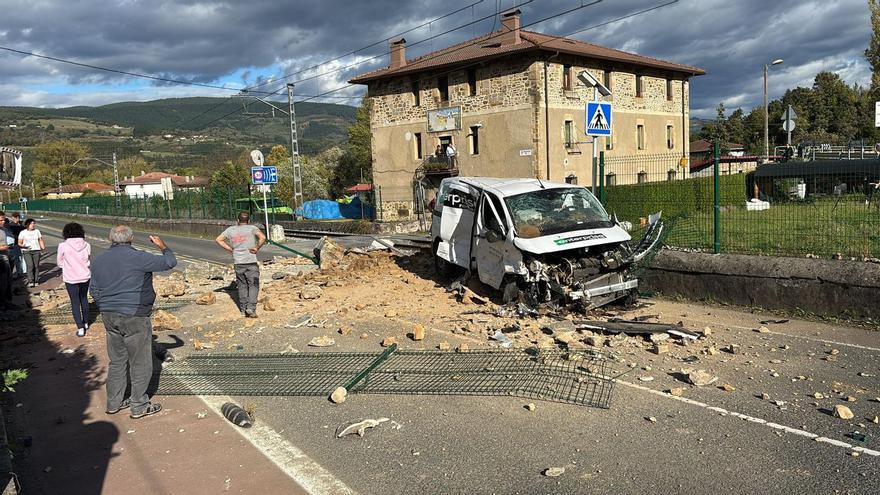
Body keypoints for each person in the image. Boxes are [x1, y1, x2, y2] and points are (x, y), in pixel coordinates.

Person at [90, 225, 176, 419]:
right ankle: (139, 405)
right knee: (140, 362)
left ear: (111, 238)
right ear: (131, 239)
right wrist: (163, 246)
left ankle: (114, 403)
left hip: (109, 315)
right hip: (135, 314)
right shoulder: (139, 257)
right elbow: (170, 262)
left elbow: (93, 289)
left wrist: (104, 305)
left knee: (117, 361)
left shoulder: (98, 260)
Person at [215, 212, 266, 318]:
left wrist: (230, 249)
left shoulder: (230, 230)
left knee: (242, 285)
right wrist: (256, 248)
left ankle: (243, 309)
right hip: (251, 261)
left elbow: (218, 239)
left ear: (237, 220)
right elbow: (263, 237)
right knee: (253, 285)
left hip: (238, 263)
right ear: (249, 220)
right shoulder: (252, 228)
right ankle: (251, 308)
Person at [57, 222, 92, 337]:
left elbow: (59, 262)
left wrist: (68, 266)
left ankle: (80, 328)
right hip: (85, 276)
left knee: (74, 302)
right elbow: (88, 259)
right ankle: (86, 322)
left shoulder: (63, 246)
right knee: (84, 299)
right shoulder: (87, 245)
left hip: (70, 277)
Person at [17, 218, 44, 288]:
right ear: (27, 224)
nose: (33, 225)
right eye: (31, 223)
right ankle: (31, 281)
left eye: (34, 223)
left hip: (36, 250)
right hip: (27, 251)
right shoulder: (23, 232)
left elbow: (40, 239)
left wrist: (42, 247)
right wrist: (23, 245)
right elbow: (19, 242)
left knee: (36, 266)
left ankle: (36, 280)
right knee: (30, 265)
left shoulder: (37, 231)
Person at [7, 213, 25, 279]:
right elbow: (11, 235)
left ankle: (20, 272)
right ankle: (17, 273)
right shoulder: (10, 225)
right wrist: (20, 237)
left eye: (18, 217)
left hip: (22, 243)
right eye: (15, 217)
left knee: (21, 259)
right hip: (15, 244)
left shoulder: (21, 224)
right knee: (16, 259)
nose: (17, 219)